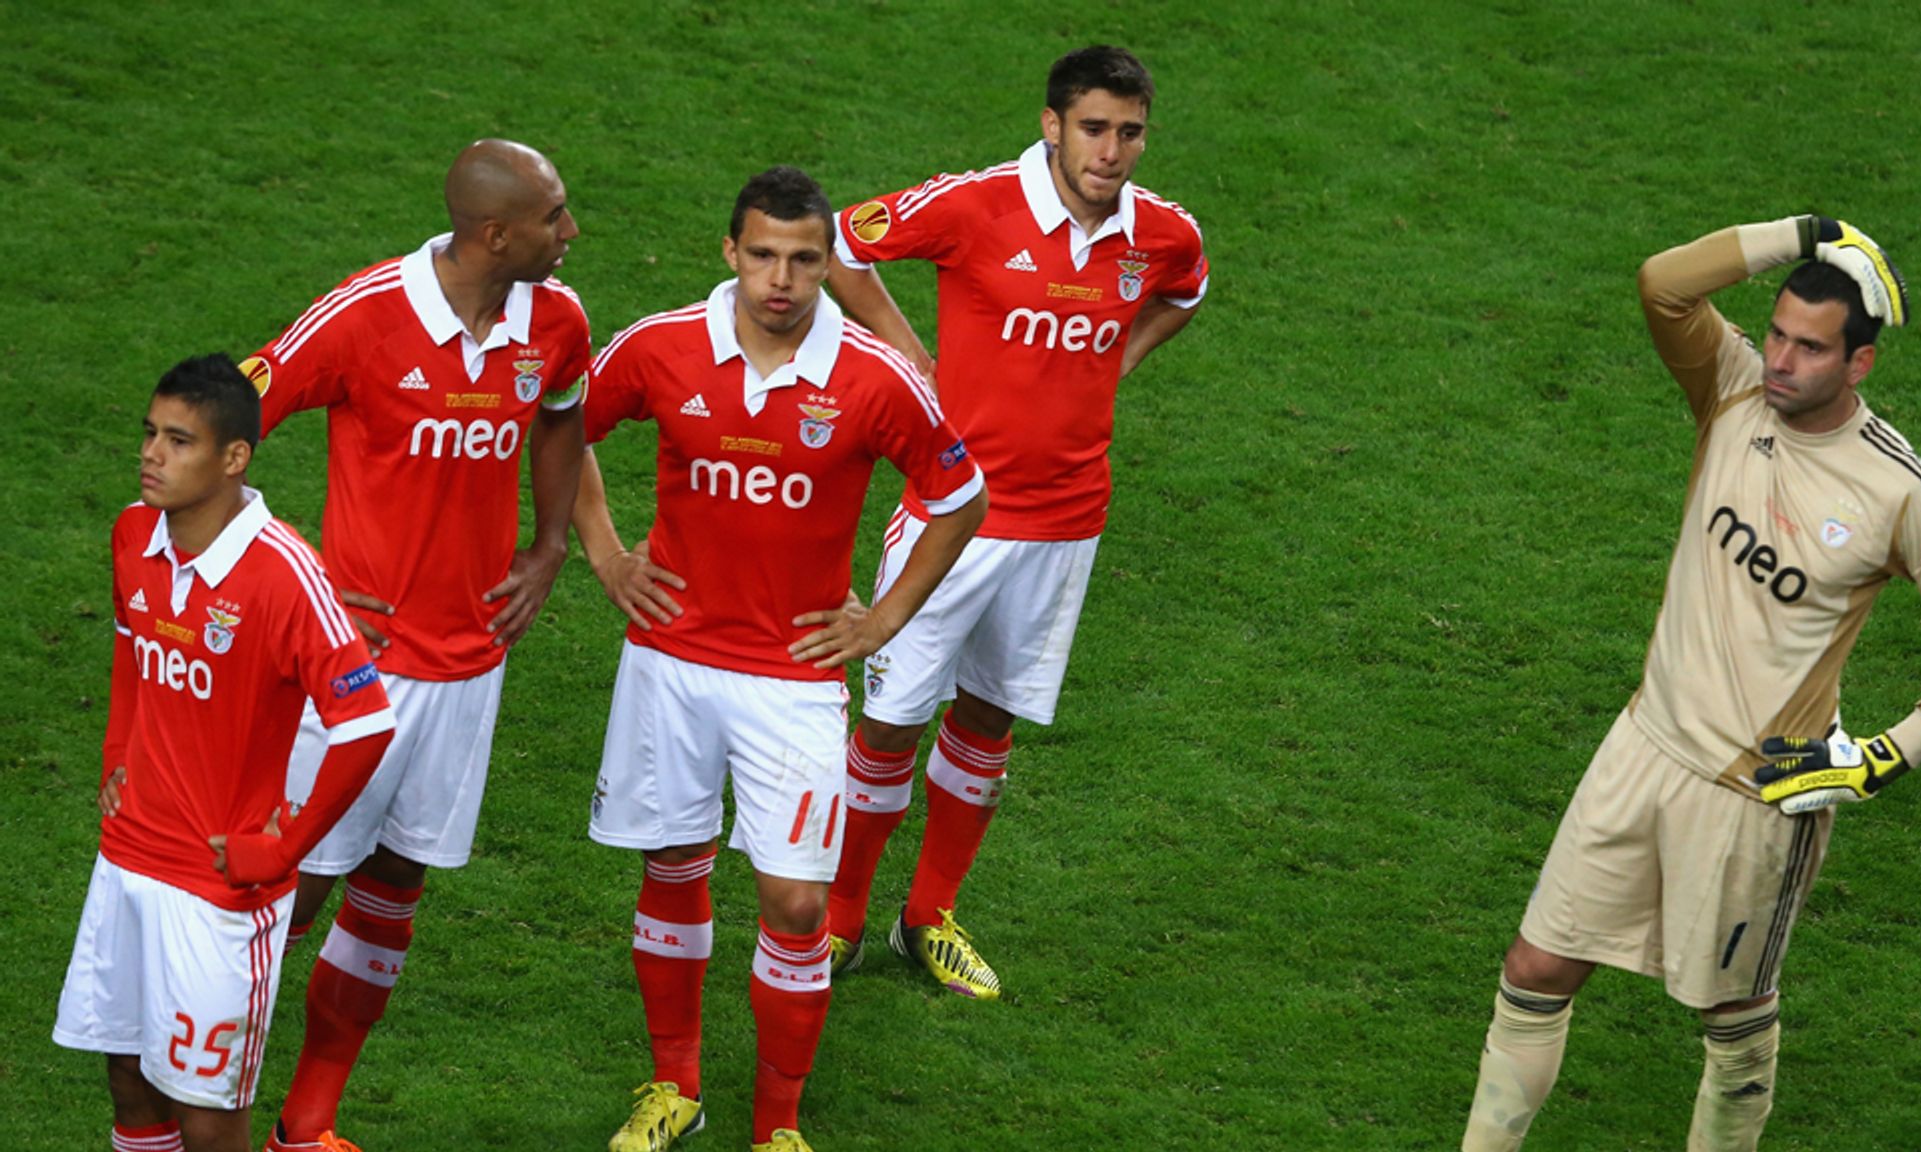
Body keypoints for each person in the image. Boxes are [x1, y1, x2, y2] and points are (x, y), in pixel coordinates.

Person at [1460, 217, 1921, 1152]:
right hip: (1642, 743)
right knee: (1535, 967)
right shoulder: (1731, 389)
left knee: (1731, 1024)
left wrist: (1879, 759)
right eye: (1776, 333)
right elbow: (1662, 283)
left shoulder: (1900, 493)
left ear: (1861, 365)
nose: (1781, 360)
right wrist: (1811, 232)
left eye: (1810, 347)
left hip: (1752, 797)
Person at [574, 166, 986, 1152]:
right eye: (762, 254)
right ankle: (674, 1087)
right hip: (669, 662)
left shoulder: (872, 377)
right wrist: (605, 552)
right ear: (730, 253)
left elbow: (959, 493)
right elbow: (558, 429)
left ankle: (778, 1126)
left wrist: (883, 619)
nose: (780, 279)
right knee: (671, 867)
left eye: (804, 260)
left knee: (797, 902)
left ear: (825, 265)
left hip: (794, 678)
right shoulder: (662, 347)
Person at [821, 44, 1209, 1000]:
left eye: (1130, 132)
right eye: (1093, 128)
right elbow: (837, 241)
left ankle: (929, 916)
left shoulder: (1160, 232)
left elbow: (1187, 290)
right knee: (891, 722)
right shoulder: (975, 205)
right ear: (1052, 125)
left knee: (990, 717)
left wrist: (1116, 361)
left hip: (1068, 521)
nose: (1112, 151)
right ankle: (838, 924)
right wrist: (910, 358)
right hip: (955, 517)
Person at [236, 139, 591, 1150]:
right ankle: (198, 1110)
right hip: (352, 673)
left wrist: (551, 541)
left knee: (392, 889)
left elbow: (563, 419)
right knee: (284, 892)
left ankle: (307, 1127)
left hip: (469, 667)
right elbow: (223, 423)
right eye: (553, 217)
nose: (570, 233)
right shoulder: (363, 316)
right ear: (495, 234)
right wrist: (299, 573)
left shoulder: (554, 320)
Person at [54, 354, 396, 1152]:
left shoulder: (284, 574)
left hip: (216, 891)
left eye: (179, 441)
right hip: (129, 856)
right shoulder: (134, 534)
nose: (151, 455)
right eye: (149, 434)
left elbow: (366, 722)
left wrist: (283, 849)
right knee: (130, 1082)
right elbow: (131, 643)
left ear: (235, 458)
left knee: (208, 1117)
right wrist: (116, 751)